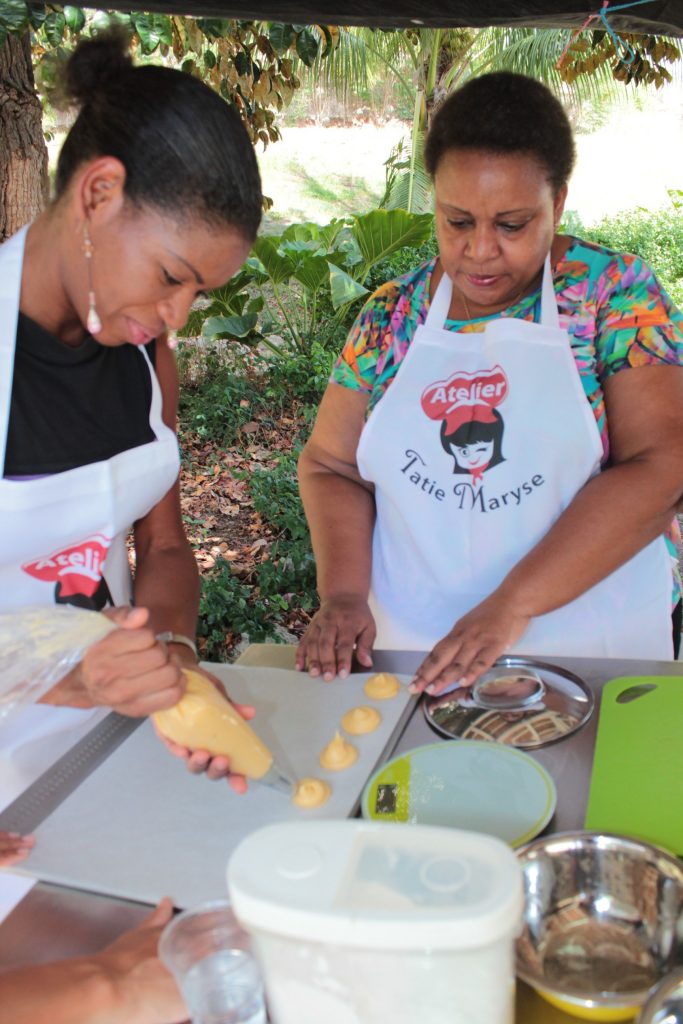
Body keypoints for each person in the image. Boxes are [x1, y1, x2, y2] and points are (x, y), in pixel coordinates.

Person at [296, 71, 683, 696]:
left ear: (557, 204)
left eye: (511, 224)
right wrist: (342, 594)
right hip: (418, 654)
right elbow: (330, 464)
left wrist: (511, 605)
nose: (479, 251)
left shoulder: (613, 294)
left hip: (591, 648)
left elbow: (663, 466)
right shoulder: (393, 317)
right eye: (457, 222)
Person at [0, 30, 262, 786]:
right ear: (98, 193)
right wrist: (73, 677)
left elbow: (167, 548)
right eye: (170, 276)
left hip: (104, 755)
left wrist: (173, 660)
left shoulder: (144, 353)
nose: (176, 315)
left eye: (198, 293)